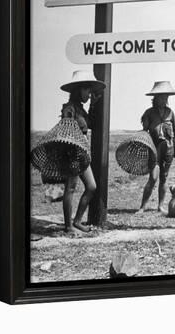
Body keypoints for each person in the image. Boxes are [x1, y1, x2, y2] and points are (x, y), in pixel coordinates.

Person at [59, 70, 105, 235]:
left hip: (82, 152)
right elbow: (64, 130)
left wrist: (93, 104)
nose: (89, 93)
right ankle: (68, 226)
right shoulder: (69, 108)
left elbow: (90, 124)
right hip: (73, 151)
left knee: (91, 187)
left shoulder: (81, 109)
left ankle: (77, 221)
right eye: (87, 90)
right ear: (79, 90)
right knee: (70, 188)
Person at [137, 81, 175, 214]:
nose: (164, 99)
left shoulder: (170, 112)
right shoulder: (149, 113)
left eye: (166, 97)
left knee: (164, 177)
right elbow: (144, 131)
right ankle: (142, 207)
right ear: (156, 98)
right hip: (154, 148)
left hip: (169, 148)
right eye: (162, 97)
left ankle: (160, 206)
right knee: (153, 178)